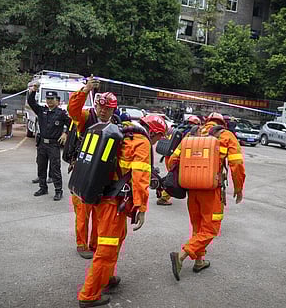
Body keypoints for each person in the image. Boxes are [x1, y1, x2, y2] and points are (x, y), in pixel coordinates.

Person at [77, 115, 167, 307]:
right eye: (158, 137)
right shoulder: (141, 142)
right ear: (153, 132)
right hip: (113, 203)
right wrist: (141, 208)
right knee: (107, 248)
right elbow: (140, 178)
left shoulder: (122, 132)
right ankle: (89, 295)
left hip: (104, 198)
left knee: (117, 239)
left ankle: (106, 278)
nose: (157, 141)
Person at [168, 112, 245, 281]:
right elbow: (237, 165)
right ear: (222, 123)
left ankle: (199, 261)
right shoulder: (226, 136)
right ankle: (182, 255)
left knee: (198, 227)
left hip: (192, 189)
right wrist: (238, 189)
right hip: (211, 192)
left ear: (206, 121)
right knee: (210, 229)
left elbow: (172, 160)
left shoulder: (192, 134)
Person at [67, 79, 116, 259]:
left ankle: (95, 244)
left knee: (98, 214)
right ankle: (81, 244)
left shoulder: (116, 123)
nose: (103, 111)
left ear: (113, 109)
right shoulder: (87, 117)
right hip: (82, 171)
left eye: (107, 108)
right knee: (82, 212)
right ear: (95, 105)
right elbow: (73, 110)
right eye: (100, 107)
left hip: (102, 175)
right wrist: (86, 90)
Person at [27, 85, 69, 200]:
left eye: (52, 99)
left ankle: (58, 190)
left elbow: (72, 125)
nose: (50, 101)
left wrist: (66, 133)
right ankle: (43, 188)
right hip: (42, 144)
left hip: (53, 144)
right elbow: (31, 102)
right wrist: (34, 91)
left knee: (55, 168)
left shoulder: (61, 113)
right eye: (48, 99)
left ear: (57, 101)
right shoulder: (42, 111)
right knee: (41, 167)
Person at [157, 115, 201, 206]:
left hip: (168, 156)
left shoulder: (180, 128)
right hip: (175, 159)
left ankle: (161, 188)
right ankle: (163, 197)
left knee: (172, 177)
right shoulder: (189, 134)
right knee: (174, 179)